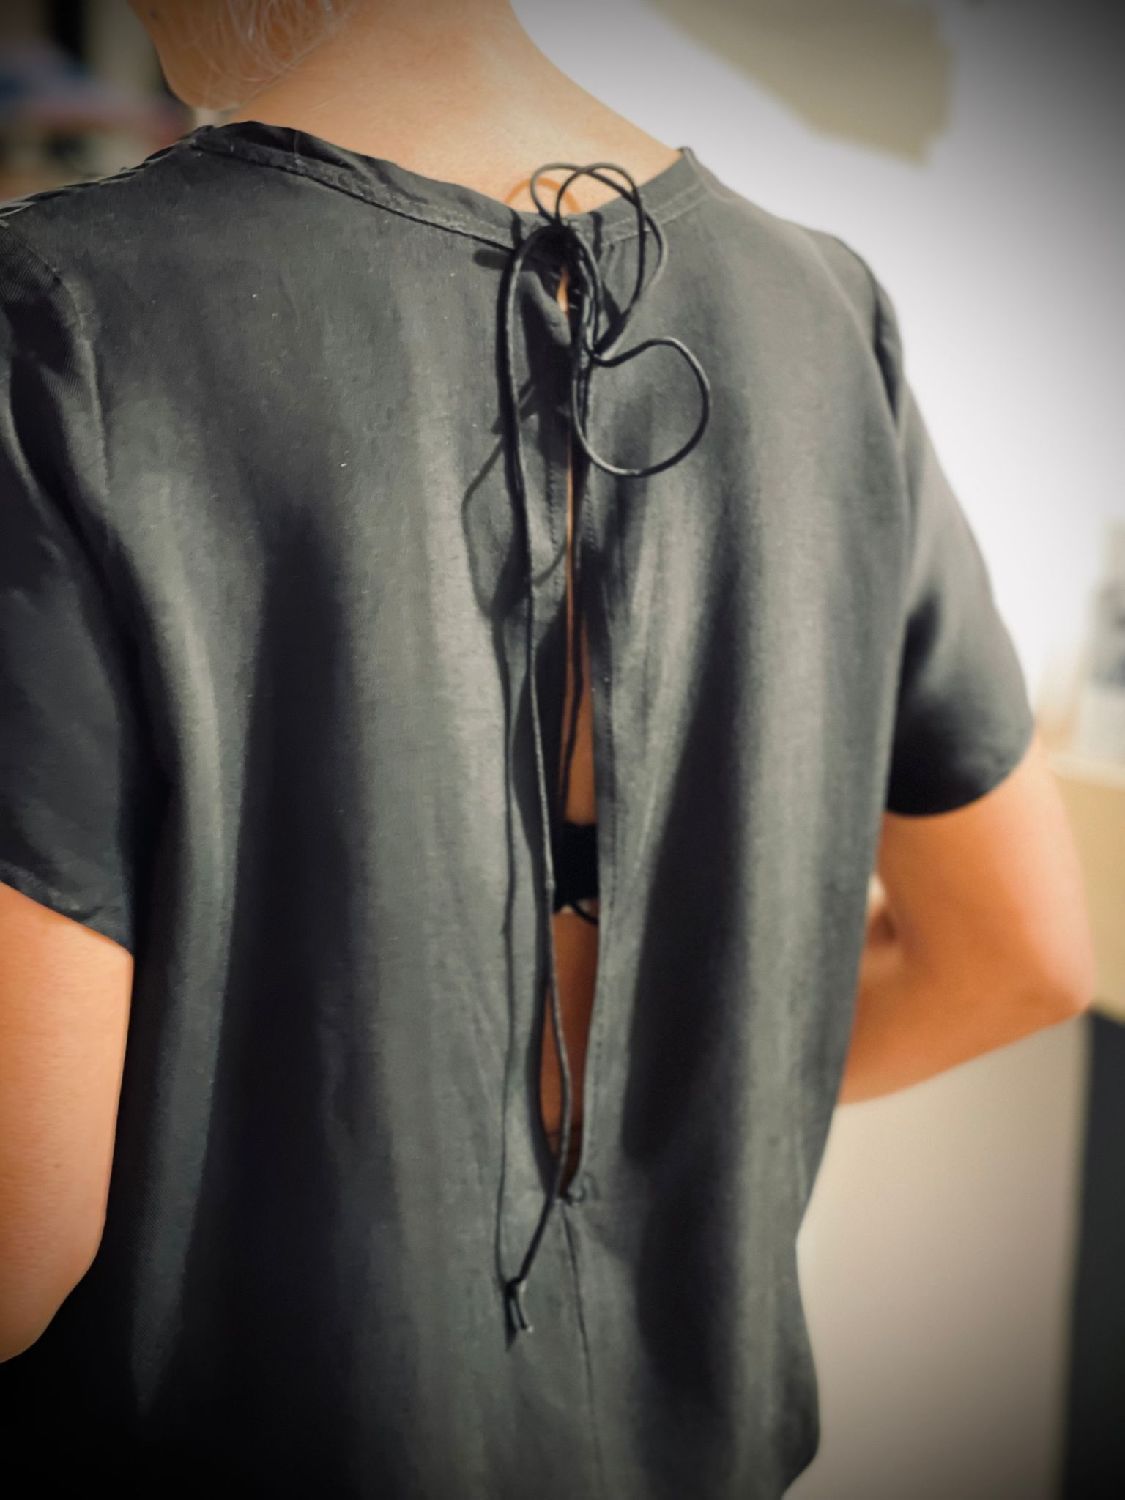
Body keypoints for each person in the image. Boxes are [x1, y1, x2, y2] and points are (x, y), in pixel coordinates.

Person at [0, 1, 1096, 1495]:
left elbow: (18, 1238)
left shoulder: (54, 319)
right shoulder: (830, 316)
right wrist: (678, 1127)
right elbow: (1017, 956)